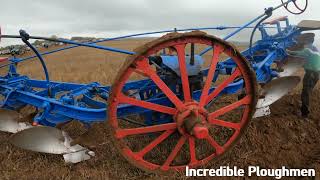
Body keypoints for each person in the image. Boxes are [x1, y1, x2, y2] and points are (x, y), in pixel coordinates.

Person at [287, 33, 320, 119]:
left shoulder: (307, 49)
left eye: (303, 40)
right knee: (308, 91)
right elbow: (309, 60)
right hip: (317, 74)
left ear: (306, 41)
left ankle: (304, 114)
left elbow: (297, 53)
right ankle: (304, 105)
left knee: (305, 93)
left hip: (310, 74)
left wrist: (287, 51)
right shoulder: (315, 49)